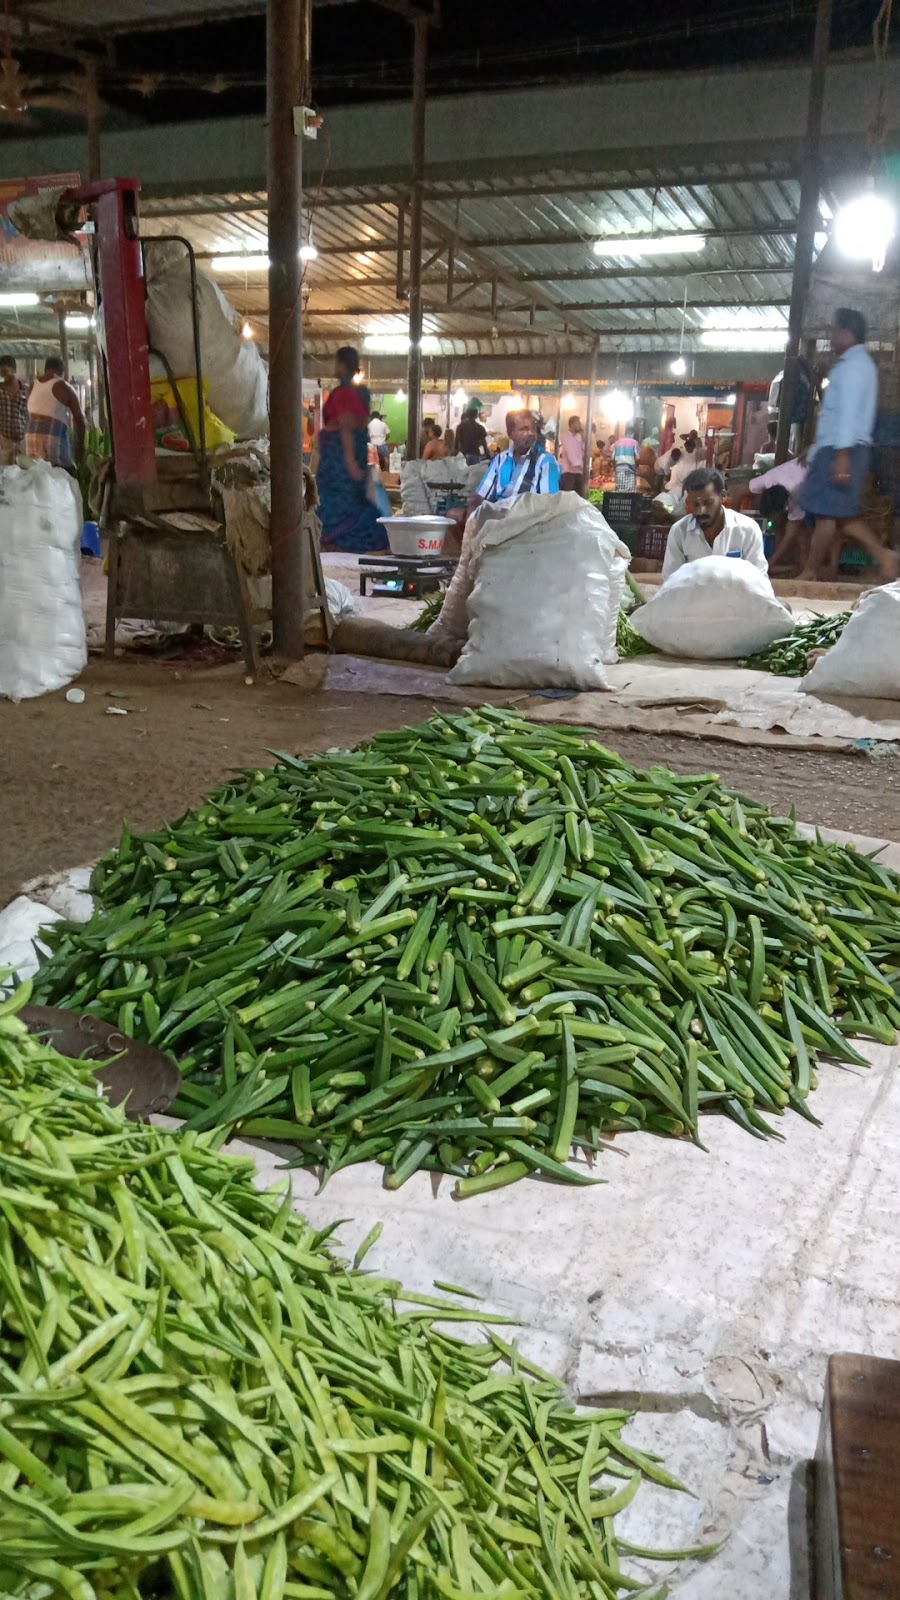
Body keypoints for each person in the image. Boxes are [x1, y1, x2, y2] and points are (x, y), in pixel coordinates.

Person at [798, 308, 898, 582]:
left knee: (825, 515)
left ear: (847, 333)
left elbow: (848, 414)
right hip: (840, 448)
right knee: (836, 515)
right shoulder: (857, 365)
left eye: (834, 330)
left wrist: (841, 455)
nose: (831, 337)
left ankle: (810, 572)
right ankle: (883, 555)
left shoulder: (853, 368)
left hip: (842, 449)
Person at [317, 346, 388, 553]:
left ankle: (337, 541)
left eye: (336, 362)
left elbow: (346, 427)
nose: (334, 366)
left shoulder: (344, 394)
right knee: (348, 499)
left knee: (337, 500)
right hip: (341, 455)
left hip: (339, 460)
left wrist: (350, 462)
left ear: (342, 365)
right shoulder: (356, 393)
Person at [662, 466, 766, 580]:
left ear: (723, 496)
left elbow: (758, 580)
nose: (701, 511)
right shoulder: (679, 532)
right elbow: (671, 581)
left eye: (708, 503)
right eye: (695, 504)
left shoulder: (748, 530)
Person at [470, 409, 560, 508]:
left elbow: (548, 505)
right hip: (498, 517)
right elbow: (481, 496)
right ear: (510, 433)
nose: (531, 433)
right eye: (524, 429)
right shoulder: (500, 460)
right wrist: (472, 514)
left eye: (533, 428)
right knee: (455, 514)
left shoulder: (546, 462)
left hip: (526, 519)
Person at [750, 453, 810, 570]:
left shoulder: (797, 492)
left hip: (823, 476)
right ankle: (793, 564)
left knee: (804, 533)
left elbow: (790, 534)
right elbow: (738, 492)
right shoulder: (767, 479)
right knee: (785, 526)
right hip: (804, 465)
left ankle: (805, 568)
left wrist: (769, 564)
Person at [25, 355, 84, 472]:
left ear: (45, 369)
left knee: (37, 475)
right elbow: (79, 419)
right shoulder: (63, 386)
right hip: (53, 438)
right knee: (63, 474)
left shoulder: (32, 386)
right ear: (62, 370)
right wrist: (81, 447)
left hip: (31, 438)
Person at [0, 355, 28, 465]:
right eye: (1, 372)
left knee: (21, 475)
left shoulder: (25, 391)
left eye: (5, 371)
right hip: (3, 441)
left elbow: (28, 415)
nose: (3, 375)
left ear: (14, 370)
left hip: (21, 441)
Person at [558, 413, 585, 492]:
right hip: (569, 475)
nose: (580, 426)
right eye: (578, 423)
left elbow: (583, 452)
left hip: (577, 474)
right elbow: (573, 460)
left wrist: (583, 439)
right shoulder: (567, 439)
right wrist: (583, 468)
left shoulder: (578, 438)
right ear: (573, 424)